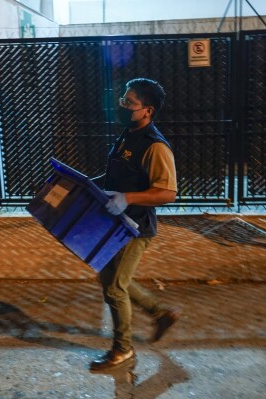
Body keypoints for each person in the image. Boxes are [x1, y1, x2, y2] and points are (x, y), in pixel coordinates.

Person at [89, 78, 181, 371]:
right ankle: (160, 313)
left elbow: (167, 192)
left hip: (134, 227)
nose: (123, 106)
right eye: (123, 100)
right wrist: (87, 186)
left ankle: (123, 349)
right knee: (108, 281)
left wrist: (128, 198)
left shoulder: (155, 146)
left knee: (116, 287)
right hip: (113, 223)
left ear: (148, 110)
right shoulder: (127, 135)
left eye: (130, 103)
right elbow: (115, 176)